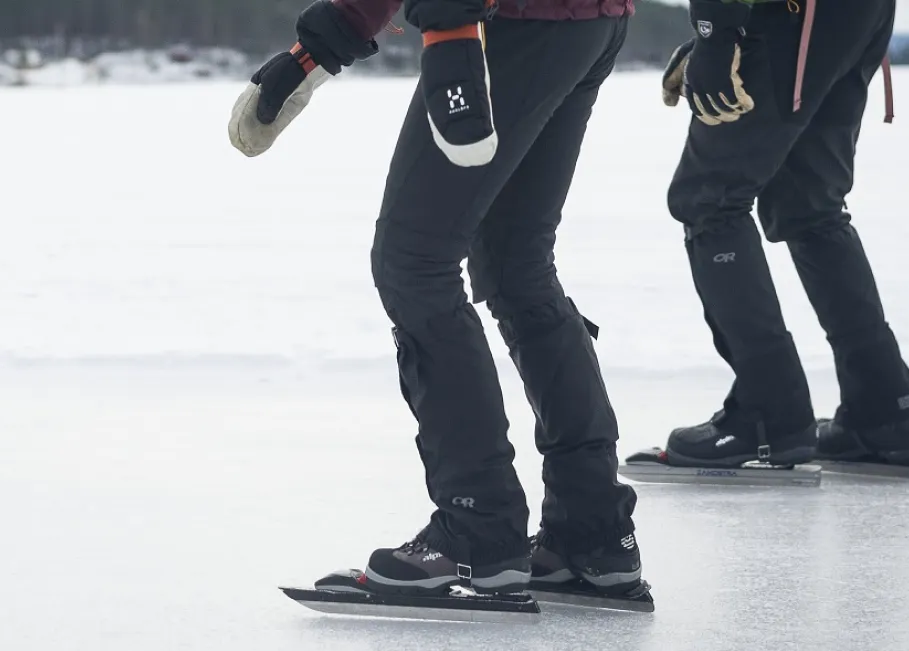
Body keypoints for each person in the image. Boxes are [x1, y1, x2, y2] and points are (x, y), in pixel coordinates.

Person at [229, 0, 650, 608]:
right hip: (584, 20)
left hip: (515, 22)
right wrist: (320, 46)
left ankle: (478, 529)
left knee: (413, 262)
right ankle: (593, 535)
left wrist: (452, 24)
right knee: (517, 265)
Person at [653, 0, 909, 470]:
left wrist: (717, 31)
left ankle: (769, 414)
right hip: (852, 17)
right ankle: (885, 413)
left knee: (710, 201)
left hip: (793, 15)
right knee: (809, 206)